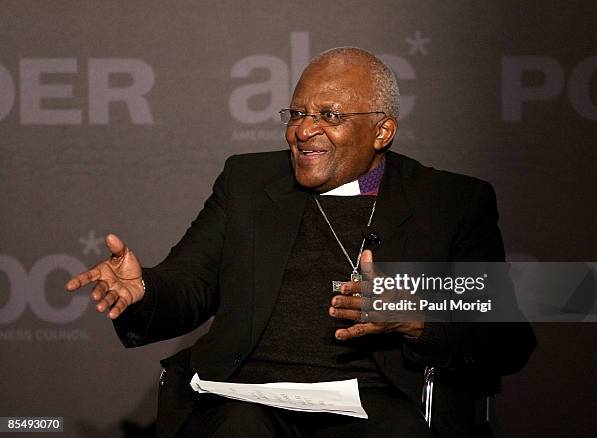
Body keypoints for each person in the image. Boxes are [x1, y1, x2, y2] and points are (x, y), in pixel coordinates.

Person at [66, 47, 536, 438]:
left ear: (382, 131)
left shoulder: (450, 201)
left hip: (376, 403)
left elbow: (507, 340)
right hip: (246, 396)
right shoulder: (248, 182)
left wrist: (417, 321)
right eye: (297, 114)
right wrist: (144, 289)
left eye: (329, 116)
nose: (303, 130)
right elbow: (190, 283)